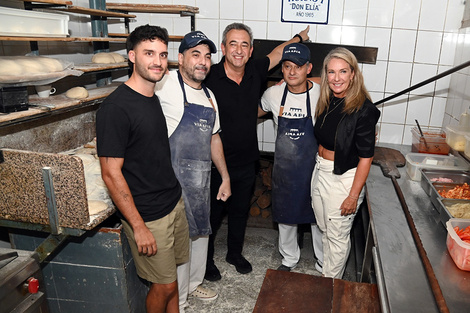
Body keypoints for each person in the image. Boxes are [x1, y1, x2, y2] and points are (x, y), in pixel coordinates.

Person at [204, 22, 310, 281]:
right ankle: (204, 262)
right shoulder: (209, 76)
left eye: (244, 45)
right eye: (233, 44)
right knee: (212, 215)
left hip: (246, 160)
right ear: (223, 48)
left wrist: (297, 37)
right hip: (215, 161)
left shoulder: (255, 70)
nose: (238, 50)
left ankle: (234, 253)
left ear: (250, 50)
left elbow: (277, 53)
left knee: (240, 211)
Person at [96, 24, 189, 313]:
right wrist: (138, 226)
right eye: (149, 53)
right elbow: (111, 173)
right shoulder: (115, 108)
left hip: (172, 202)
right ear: (132, 56)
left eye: (162, 54)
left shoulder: (152, 98)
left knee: (172, 279)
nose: (158, 61)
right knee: (164, 286)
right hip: (148, 215)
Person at [155, 31, 231, 311]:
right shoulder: (164, 85)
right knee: (180, 243)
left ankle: (194, 284)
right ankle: (179, 300)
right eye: (195, 54)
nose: (203, 61)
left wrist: (225, 177)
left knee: (201, 234)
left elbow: (214, 138)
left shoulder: (210, 96)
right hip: (172, 181)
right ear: (180, 58)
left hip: (201, 181)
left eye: (208, 56)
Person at [311, 47, 380, 278]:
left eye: (343, 71)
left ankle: (330, 285)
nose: (336, 78)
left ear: (353, 74)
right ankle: (328, 273)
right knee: (324, 228)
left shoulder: (365, 110)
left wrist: (353, 195)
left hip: (343, 177)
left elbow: (366, 157)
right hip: (320, 169)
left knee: (337, 234)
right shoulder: (328, 98)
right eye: (331, 72)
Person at [258, 43, 323, 273]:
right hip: (285, 169)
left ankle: (323, 261)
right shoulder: (273, 95)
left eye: (298, 67)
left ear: (308, 68)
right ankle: (289, 259)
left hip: (314, 168)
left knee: (318, 218)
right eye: (287, 66)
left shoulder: (320, 92)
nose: (292, 72)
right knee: (285, 216)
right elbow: (254, 111)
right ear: (282, 69)